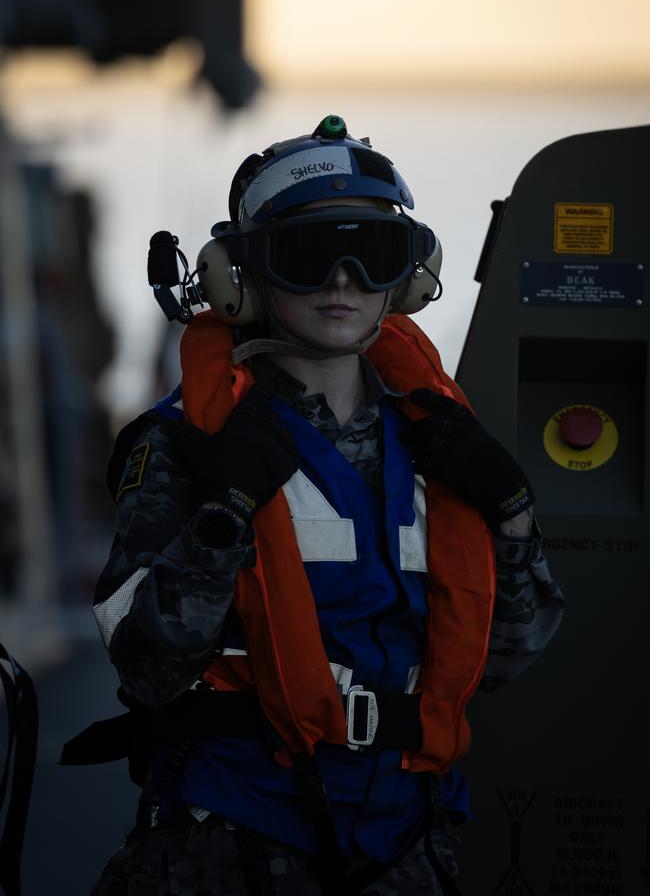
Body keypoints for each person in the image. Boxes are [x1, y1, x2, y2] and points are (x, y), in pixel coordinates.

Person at [85, 116, 564, 895]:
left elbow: (509, 654)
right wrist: (222, 520)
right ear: (239, 278)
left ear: (405, 278)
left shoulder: (442, 446)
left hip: (404, 840)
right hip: (231, 843)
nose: (342, 283)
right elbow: (147, 669)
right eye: (309, 258)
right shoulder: (186, 446)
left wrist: (510, 514)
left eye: (370, 256)